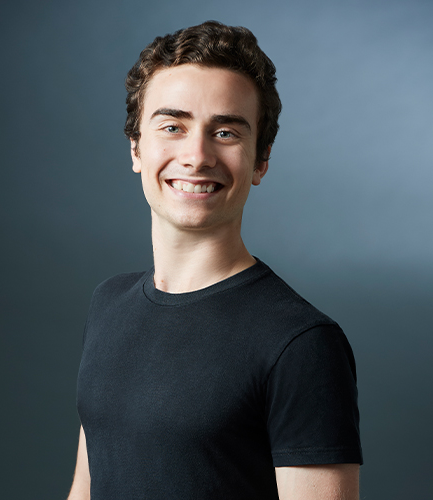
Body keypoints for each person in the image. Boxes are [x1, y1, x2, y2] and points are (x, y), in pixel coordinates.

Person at [67, 21, 363, 500]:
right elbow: (86, 490)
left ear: (260, 160)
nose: (197, 156)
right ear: (136, 147)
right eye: (172, 127)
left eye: (225, 132)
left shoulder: (301, 344)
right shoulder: (109, 304)